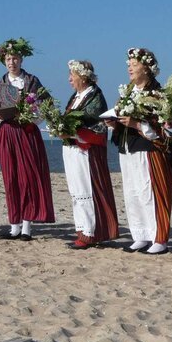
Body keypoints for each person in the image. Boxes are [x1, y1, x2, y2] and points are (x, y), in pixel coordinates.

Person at [106, 48, 172, 255]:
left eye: (133, 64)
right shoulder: (128, 92)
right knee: (132, 192)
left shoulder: (156, 94)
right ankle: (140, 235)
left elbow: (163, 127)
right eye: (129, 64)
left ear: (146, 67)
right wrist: (113, 123)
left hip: (148, 149)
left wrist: (137, 124)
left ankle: (159, 238)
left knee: (149, 192)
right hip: (128, 148)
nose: (129, 68)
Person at [0, 38, 54, 241]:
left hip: (26, 133)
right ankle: (14, 226)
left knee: (27, 178)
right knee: (11, 178)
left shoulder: (32, 81)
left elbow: (45, 107)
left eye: (15, 58)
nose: (11, 62)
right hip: (7, 133)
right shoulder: (0, 84)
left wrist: (30, 116)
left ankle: (27, 226)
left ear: (21, 59)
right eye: (8, 59)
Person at [60, 60, 119, 249]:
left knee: (87, 189)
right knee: (76, 190)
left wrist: (74, 132)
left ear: (83, 76)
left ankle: (90, 232)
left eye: (72, 75)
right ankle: (82, 229)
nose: (69, 79)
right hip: (72, 149)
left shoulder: (95, 96)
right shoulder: (76, 96)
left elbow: (97, 124)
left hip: (87, 150)